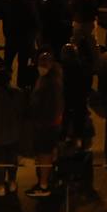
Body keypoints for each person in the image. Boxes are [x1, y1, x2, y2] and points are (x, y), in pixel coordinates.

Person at [26, 50, 64, 198]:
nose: (41, 66)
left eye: (44, 63)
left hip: (46, 125)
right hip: (49, 124)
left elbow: (45, 106)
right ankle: (45, 181)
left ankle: (43, 185)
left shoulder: (49, 83)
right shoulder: (51, 79)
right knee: (46, 154)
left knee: (44, 155)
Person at [0, 66, 24, 196]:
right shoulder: (18, 93)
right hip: (14, 133)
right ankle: (12, 181)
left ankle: (0, 185)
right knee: (12, 159)